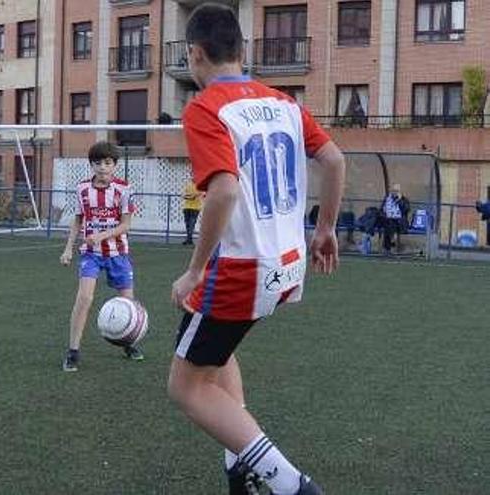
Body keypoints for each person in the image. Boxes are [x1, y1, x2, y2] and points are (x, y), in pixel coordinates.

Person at [167, 6, 345, 495]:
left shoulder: (205, 108)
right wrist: (324, 228)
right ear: (242, 51)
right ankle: (239, 468)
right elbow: (334, 158)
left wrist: (194, 270)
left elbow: (223, 191)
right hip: (286, 265)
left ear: (195, 54)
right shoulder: (284, 102)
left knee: (184, 387)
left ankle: (292, 486)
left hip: (240, 269)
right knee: (217, 354)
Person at [59, 141, 144, 372]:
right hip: (91, 254)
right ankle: (73, 351)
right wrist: (68, 248)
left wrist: (102, 235)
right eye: (98, 163)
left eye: (107, 163)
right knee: (84, 298)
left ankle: (129, 343)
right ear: (92, 165)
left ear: (114, 165)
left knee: (129, 303)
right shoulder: (82, 189)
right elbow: (77, 219)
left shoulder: (124, 189)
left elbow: (126, 225)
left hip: (118, 253)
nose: (102, 168)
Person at [379, 183, 410, 255]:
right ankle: (388, 247)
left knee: (390, 224)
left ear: (400, 192)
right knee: (388, 224)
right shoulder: (387, 198)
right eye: (393, 190)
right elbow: (381, 209)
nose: (395, 192)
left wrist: (399, 200)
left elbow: (406, 210)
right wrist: (384, 214)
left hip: (399, 221)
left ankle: (388, 247)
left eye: (397, 191)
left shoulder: (404, 200)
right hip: (387, 219)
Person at [182, 179, 203, 245]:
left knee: (191, 224)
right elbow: (183, 195)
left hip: (195, 208)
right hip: (187, 207)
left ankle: (189, 239)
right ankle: (189, 239)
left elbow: (195, 196)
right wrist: (190, 196)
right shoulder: (188, 185)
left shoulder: (199, 186)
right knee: (188, 224)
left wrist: (189, 196)